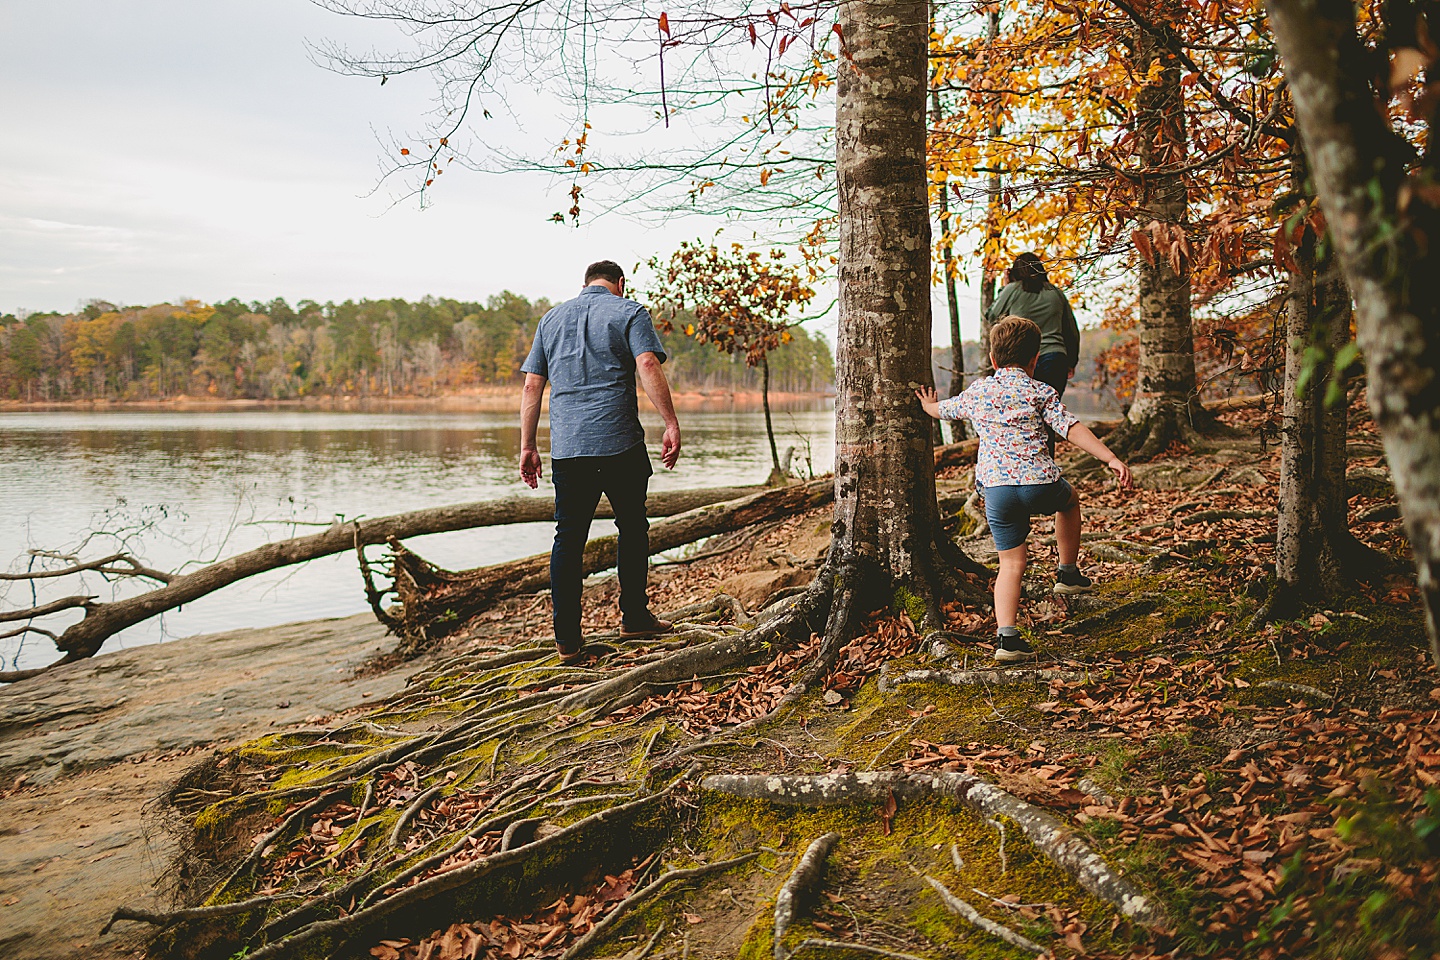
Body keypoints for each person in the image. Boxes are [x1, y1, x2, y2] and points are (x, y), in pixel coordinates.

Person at [916, 315, 1132, 663]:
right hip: (1039, 484)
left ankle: (1007, 640)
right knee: (1070, 500)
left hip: (998, 492)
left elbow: (946, 410)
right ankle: (1067, 572)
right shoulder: (1040, 391)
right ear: (1035, 359)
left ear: (992, 360)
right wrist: (1110, 458)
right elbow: (1071, 428)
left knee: (1011, 563)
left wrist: (927, 406)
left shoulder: (980, 392)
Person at [519, 259, 682, 664]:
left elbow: (531, 384)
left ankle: (567, 641)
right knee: (632, 526)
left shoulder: (550, 320)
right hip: (620, 443)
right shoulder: (630, 311)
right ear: (620, 283)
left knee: (568, 539)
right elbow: (647, 363)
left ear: (586, 283)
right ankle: (634, 616)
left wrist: (528, 445)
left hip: (569, 448)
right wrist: (670, 422)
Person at [986, 252, 1080, 401]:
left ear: (1014, 272)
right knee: (1051, 412)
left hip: (1021, 361)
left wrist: (1005, 287)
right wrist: (1071, 361)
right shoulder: (1055, 293)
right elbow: (1071, 331)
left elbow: (992, 316)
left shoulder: (1012, 290)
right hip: (1055, 359)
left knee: (1023, 414)